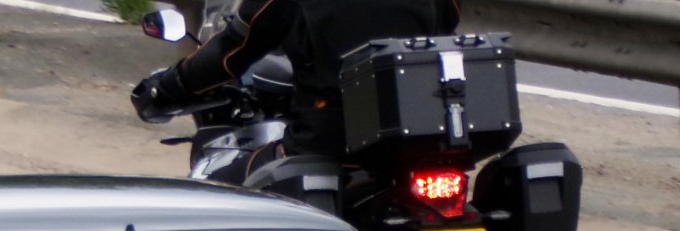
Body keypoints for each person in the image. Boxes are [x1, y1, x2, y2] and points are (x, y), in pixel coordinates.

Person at [132, 0, 461, 162]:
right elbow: (445, 28)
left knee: (231, 172)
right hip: (422, 137)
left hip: (331, 142)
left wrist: (167, 88)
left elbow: (234, 50)